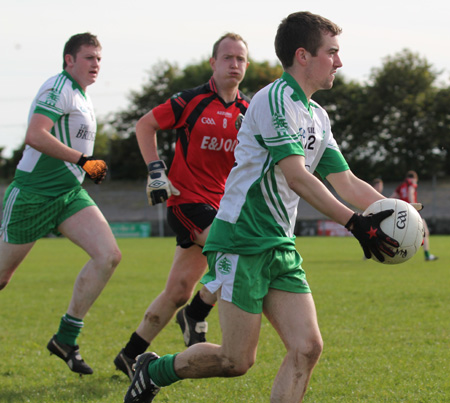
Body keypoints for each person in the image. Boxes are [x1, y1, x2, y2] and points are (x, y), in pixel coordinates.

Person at [123, 12, 400, 403]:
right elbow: (297, 176)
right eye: (332, 52)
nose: (339, 62)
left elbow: (347, 181)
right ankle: (152, 370)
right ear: (303, 56)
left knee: (307, 347)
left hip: (279, 245)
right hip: (241, 239)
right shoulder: (273, 101)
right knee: (236, 361)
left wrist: (403, 211)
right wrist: (355, 223)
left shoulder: (317, 116)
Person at [114, 33, 250, 380]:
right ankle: (196, 313)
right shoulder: (190, 101)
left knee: (176, 292)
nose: (234, 64)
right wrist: (155, 170)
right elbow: (145, 125)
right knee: (236, 249)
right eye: (228, 58)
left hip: (219, 207)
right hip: (186, 202)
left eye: (241, 59)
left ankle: (130, 355)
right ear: (213, 63)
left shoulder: (248, 112)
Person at [0, 33, 121, 376]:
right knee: (2, 277)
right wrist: (84, 160)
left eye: (99, 58)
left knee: (108, 255)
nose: (96, 64)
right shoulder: (59, 87)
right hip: (34, 195)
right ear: (69, 60)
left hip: (68, 196)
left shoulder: (82, 96)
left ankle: (66, 339)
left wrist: (81, 166)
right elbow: (35, 135)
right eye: (89, 58)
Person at [391, 170, 438, 261]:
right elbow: (411, 193)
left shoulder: (401, 186)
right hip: (412, 211)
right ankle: (427, 255)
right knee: (425, 232)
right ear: (415, 178)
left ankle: (392, 252)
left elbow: (392, 197)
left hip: (402, 213)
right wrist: (413, 206)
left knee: (400, 234)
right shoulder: (411, 184)